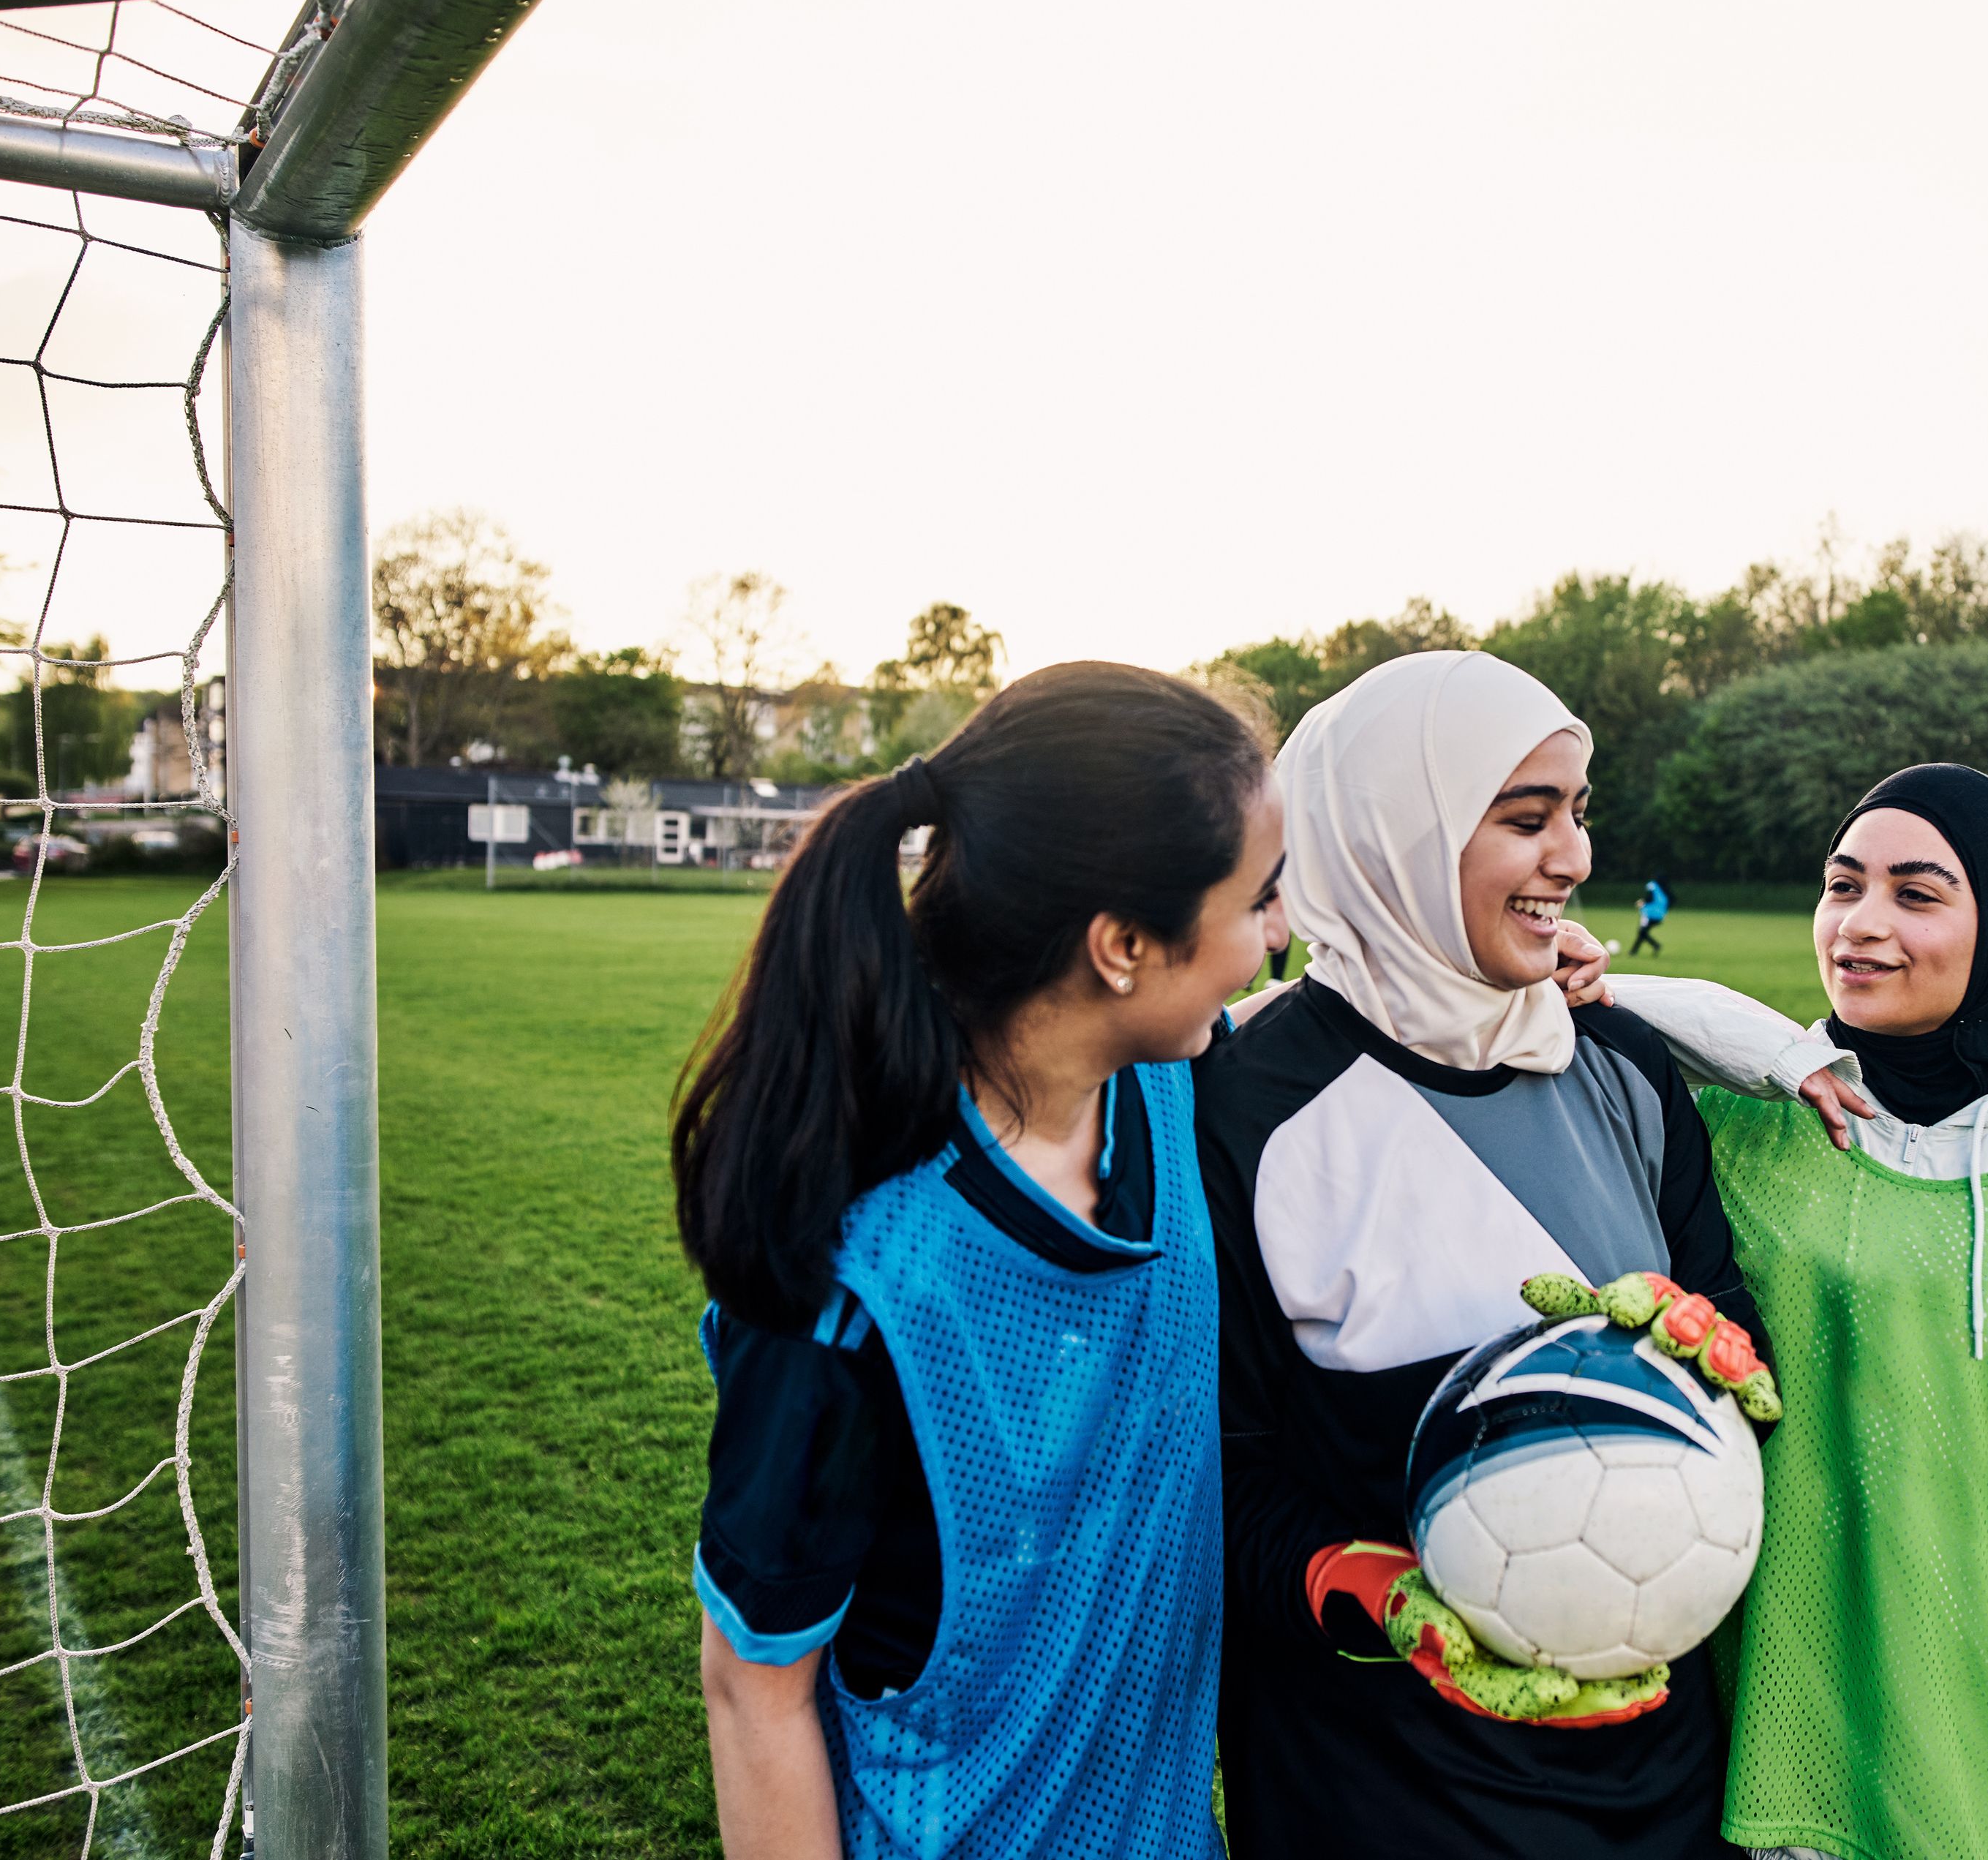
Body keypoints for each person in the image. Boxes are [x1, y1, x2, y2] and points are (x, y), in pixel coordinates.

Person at [673, 663, 1285, 1860]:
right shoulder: (857, 1283)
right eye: (1259, 899)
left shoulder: (1161, 1085)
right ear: (1122, 946)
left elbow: (1308, 1025)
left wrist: (1570, 990)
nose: (1279, 935)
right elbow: (753, 1687)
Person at [1581, 764, 1988, 1860]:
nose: (1860, 924)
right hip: (1710, 1781)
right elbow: (1549, 1003)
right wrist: (1768, 1053)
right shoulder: (1722, 1129)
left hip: (1966, 1791)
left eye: (1916, 894)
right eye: (1843, 886)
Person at [1199, 649, 1768, 1860]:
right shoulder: (1243, 1110)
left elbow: (1732, 1341)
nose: (1574, 856)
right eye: (1525, 818)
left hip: (1657, 1780)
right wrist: (1357, 1586)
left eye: (1577, 812)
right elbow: (1213, 1474)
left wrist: (1716, 1357)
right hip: (1374, 1791)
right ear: (1393, 834)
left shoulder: (1624, 1066)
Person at [1630, 876, 1671, 955]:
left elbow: (1650, 897)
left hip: (1649, 914)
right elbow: (1670, 900)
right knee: (1643, 932)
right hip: (1659, 916)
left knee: (1642, 932)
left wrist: (1642, 903)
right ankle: (1633, 952)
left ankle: (1656, 945)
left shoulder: (1652, 885)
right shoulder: (1664, 889)